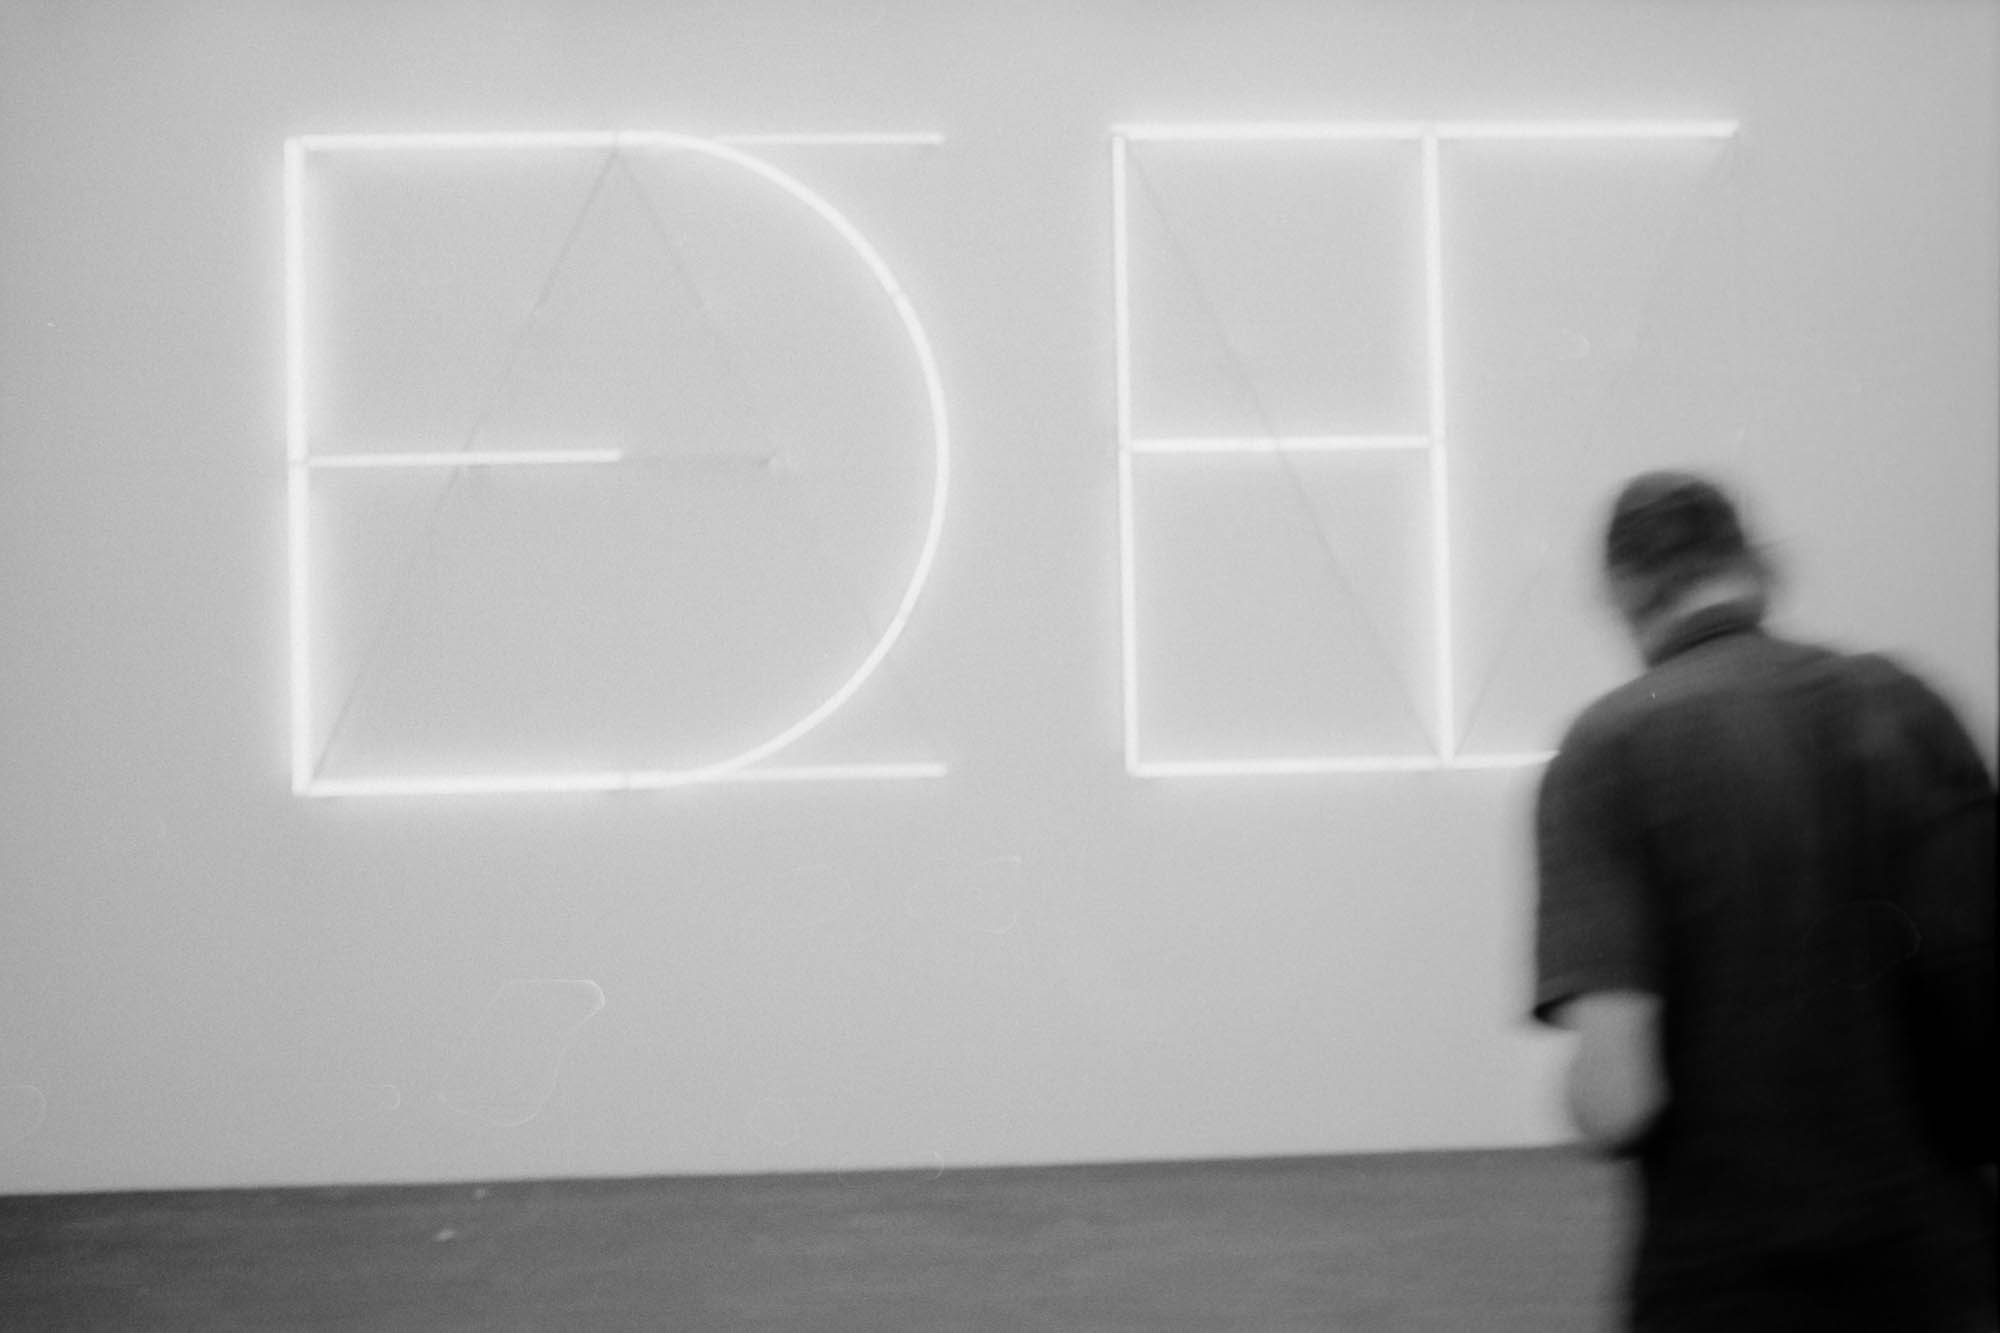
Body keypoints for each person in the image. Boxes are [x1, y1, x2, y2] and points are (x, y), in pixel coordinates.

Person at [1530, 470, 1996, 1332]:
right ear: (1755, 564)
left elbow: (1619, 1098)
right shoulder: (1906, 704)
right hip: (1939, 1267)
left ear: (1623, 589)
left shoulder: (1606, 749)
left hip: (1724, 1280)